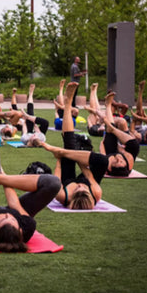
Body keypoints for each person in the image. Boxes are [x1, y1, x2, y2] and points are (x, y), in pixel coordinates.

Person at [0, 62, 61, 252]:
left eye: (5, 219)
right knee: (53, 184)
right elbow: (14, 204)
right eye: (13, 219)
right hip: (16, 203)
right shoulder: (27, 227)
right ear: (20, 228)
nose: (8, 215)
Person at [40, 82, 108, 210]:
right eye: (84, 188)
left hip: (67, 179)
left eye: (78, 189)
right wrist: (72, 154)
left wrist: (60, 157)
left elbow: (56, 179)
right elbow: (88, 175)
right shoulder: (96, 193)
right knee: (103, 161)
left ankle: (68, 103)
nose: (80, 186)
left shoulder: (62, 196)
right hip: (88, 176)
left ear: (72, 196)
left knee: (69, 144)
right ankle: (67, 103)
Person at [87, 91, 139, 176]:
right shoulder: (129, 161)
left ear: (110, 167)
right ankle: (112, 128)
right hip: (127, 149)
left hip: (110, 150)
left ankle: (108, 105)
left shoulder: (106, 162)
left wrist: (106, 137)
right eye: (121, 161)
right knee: (134, 144)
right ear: (126, 165)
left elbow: (102, 147)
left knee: (109, 132)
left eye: (115, 162)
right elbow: (125, 150)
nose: (118, 159)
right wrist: (120, 147)